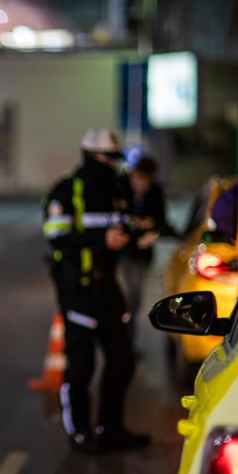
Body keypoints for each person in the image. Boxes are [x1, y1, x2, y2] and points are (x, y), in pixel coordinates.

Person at [41, 127, 151, 454]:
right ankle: (79, 432)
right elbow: (56, 238)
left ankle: (110, 428)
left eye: (117, 159)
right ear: (92, 157)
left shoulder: (117, 189)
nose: (114, 165)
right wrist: (101, 240)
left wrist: (137, 235)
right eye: (109, 158)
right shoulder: (65, 192)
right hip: (78, 288)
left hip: (108, 287)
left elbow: (122, 224)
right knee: (82, 364)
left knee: (122, 360)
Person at [117, 155, 173, 350]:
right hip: (121, 251)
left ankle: (127, 343)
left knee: (134, 300)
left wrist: (151, 227)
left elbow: (162, 220)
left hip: (142, 251)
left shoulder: (155, 192)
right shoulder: (120, 187)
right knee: (129, 298)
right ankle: (122, 343)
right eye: (140, 177)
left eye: (147, 179)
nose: (143, 183)